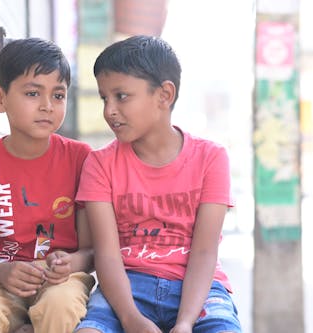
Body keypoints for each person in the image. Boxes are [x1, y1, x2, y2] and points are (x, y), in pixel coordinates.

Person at [74, 35, 242, 333]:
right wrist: (129, 318)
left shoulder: (211, 158)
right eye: (104, 98)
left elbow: (204, 252)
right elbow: (108, 255)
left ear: (164, 95)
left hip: (198, 288)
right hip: (127, 287)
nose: (109, 110)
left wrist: (186, 322)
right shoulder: (99, 164)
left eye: (121, 96)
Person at [0, 37, 95, 333]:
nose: (47, 106)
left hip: (61, 280)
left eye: (58, 95)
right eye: (32, 93)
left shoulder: (81, 158)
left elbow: (92, 252)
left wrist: (71, 262)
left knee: (62, 307)